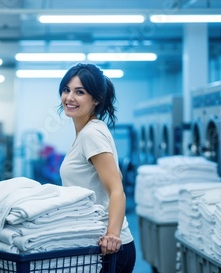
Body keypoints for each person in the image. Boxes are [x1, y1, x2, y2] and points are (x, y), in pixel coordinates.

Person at [58, 63, 136, 273]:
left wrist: (112, 235)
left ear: (96, 99)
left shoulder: (91, 134)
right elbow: (115, 174)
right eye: (67, 89)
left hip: (107, 250)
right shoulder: (88, 132)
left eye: (80, 92)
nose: (69, 97)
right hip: (100, 246)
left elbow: (117, 188)